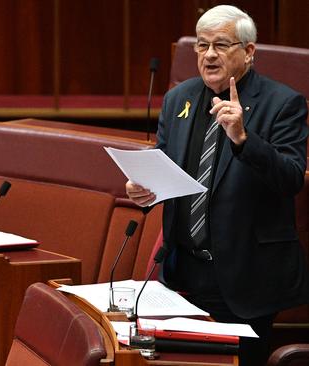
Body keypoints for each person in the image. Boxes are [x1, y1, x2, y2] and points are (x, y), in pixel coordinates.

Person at [125, 5, 309, 366]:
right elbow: (165, 168)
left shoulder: (282, 103)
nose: (209, 54)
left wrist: (243, 138)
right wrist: (144, 191)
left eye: (221, 45)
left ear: (249, 51)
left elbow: (290, 179)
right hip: (185, 274)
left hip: (246, 276)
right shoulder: (179, 98)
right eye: (202, 45)